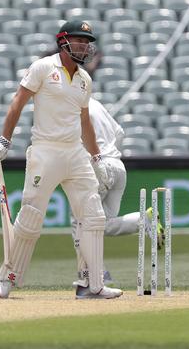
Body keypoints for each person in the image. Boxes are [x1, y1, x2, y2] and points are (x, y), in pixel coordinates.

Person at [0, 20, 123, 300]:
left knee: (94, 216)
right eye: (78, 39)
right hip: (45, 151)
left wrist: (97, 158)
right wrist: (4, 140)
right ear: (63, 41)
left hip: (75, 153)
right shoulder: (43, 67)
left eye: (87, 41)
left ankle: (92, 284)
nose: (84, 45)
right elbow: (17, 102)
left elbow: (85, 122)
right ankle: (9, 277)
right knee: (31, 217)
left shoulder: (85, 79)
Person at [71, 97, 164, 287]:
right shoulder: (96, 103)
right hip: (118, 166)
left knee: (80, 221)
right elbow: (119, 133)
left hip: (98, 166)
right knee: (103, 224)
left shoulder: (71, 105)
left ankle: (92, 274)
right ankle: (144, 219)